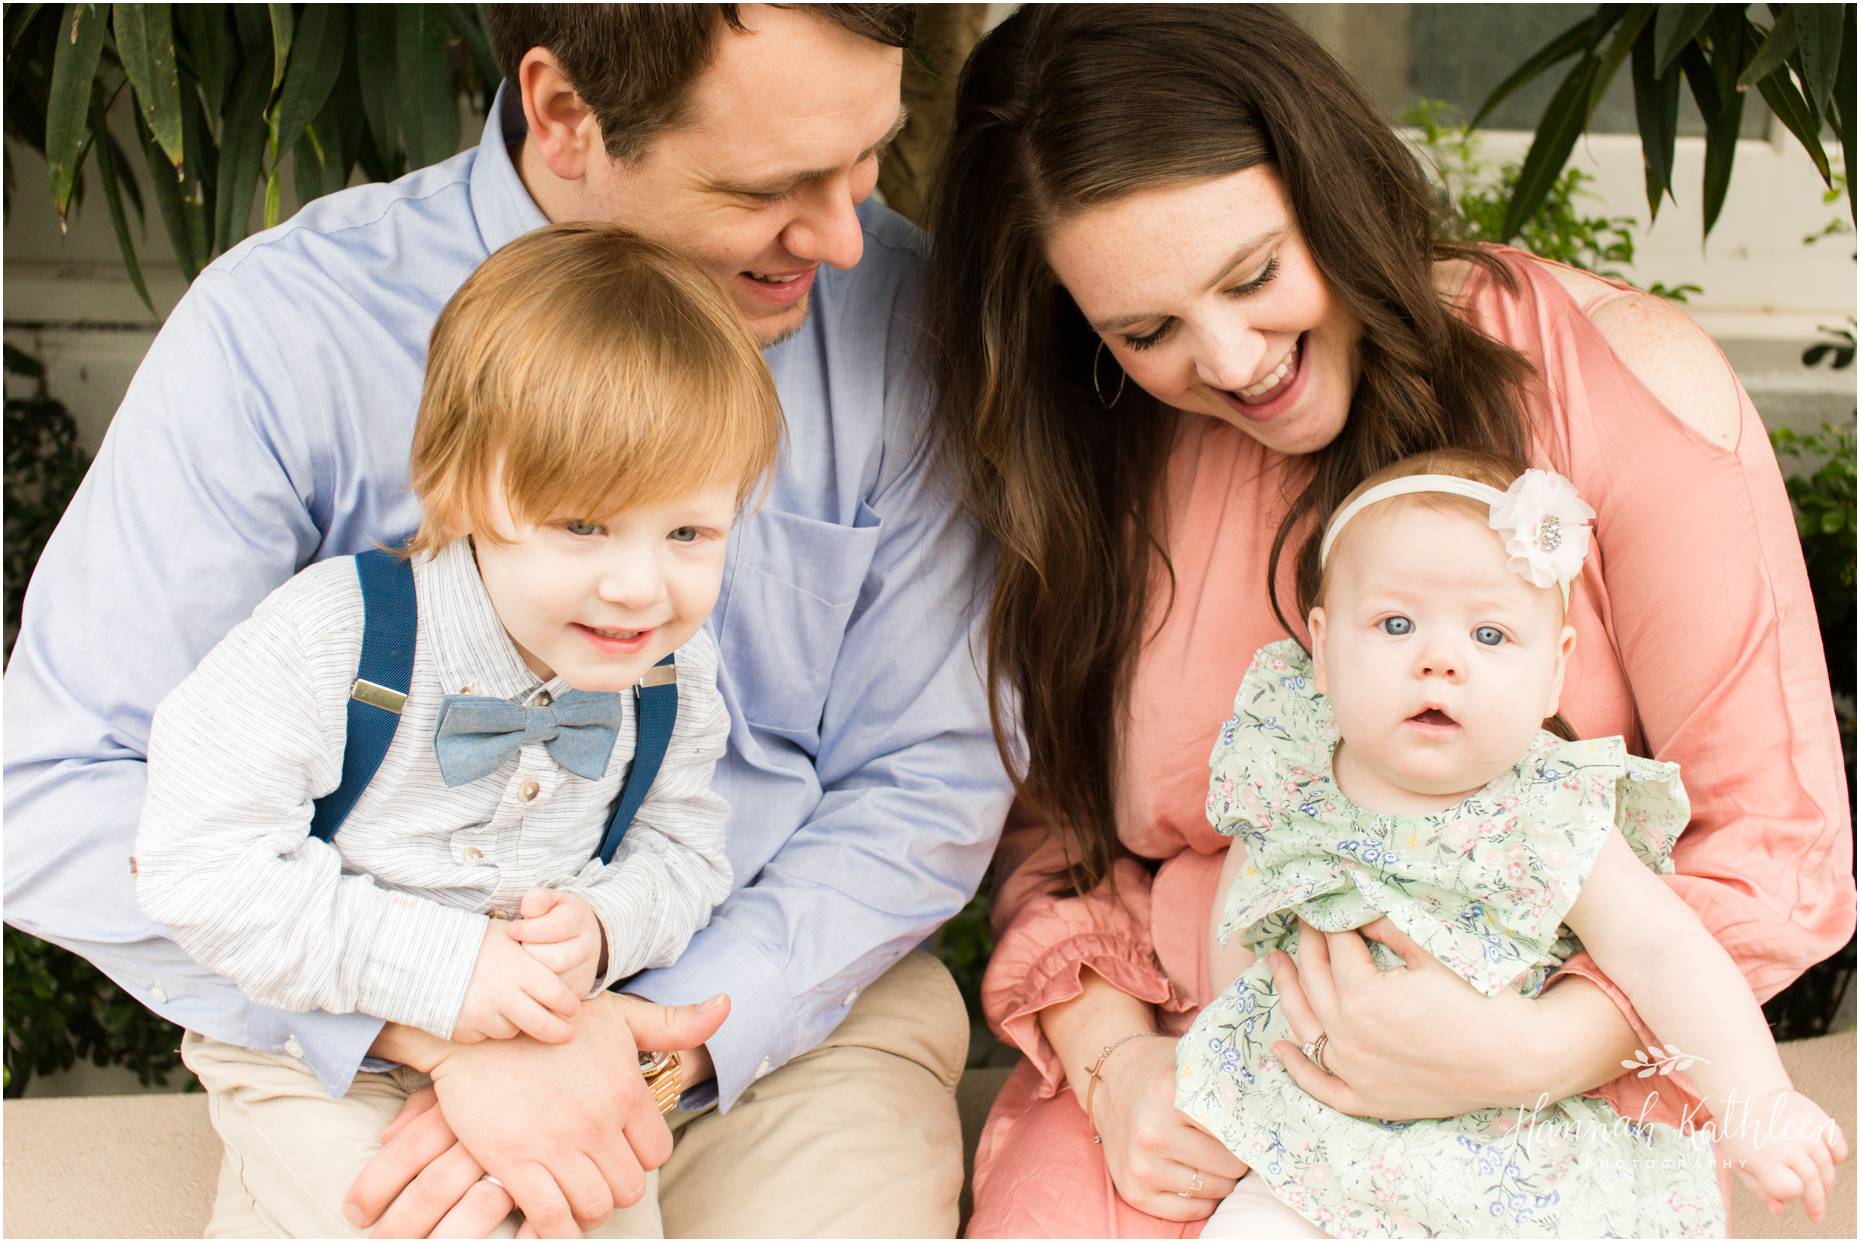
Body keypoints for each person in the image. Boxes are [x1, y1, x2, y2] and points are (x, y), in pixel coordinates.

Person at [4, 5, 1012, 1237]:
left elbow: (922, 781)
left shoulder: (908, 320)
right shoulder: (285, 332)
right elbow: (56, 788)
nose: (847, 239)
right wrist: (440, 1018)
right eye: (771, 184)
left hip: (775, 1017)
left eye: (864, 161)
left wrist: (638, 1037)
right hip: (374, 1039)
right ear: (564, 114)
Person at [919, 4, 1853, 1236]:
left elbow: (1772, 843)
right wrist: (1117, 1065)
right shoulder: (1100, 453)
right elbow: (1061, 844)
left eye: (1253, 275)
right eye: (1145, 331)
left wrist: (1530, 1051)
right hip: (1197, 1064)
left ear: (1333, 181)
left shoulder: (1611, 378)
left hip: (1553, 1085)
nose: (1234, 358)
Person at [130, 223, 776, 1235]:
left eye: (690, 532)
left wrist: (610, 925)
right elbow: (196, 865)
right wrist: (447, 973)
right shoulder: (334, 638)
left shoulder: (671, 674)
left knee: (591, 1212)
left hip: (552, 1039)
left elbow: (686, 847)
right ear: (466, 484)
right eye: (584, 525)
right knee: (400, 1222)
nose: (641, 586)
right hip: (329, 1045)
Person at [1177, 450, 1845, 1238]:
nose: (1439, 659)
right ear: (1321, 649)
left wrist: (1756, 1102)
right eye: (1396, 624)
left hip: (1508, 1148)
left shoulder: (1549, 808)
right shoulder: (1288, 758)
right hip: (1319, 1140)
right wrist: (1234, 1045)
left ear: (1554, 673)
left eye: (1490, 634)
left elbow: (1668, 954)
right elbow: (1247, 893)